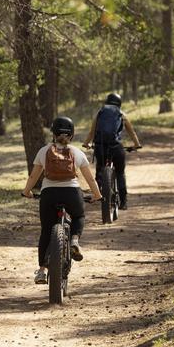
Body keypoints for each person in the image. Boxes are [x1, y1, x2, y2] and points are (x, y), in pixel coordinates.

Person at [22, 116, 102, 285]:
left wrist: (27, 191)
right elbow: (90, 180)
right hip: (72, 193)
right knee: (79, 216)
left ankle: (42, 271)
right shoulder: (77, 153)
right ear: (71, 135)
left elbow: (33, 176)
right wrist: (97, 195)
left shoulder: (44, 151)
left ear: (53, 133)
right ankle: (74, 239)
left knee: (46, 231)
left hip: (49, 195)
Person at [83, 92, 141, 209]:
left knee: (100, 169)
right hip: (116, 147)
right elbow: (132, 132)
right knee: (120, 173)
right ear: (119, 103)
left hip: (101, 146)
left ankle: (98, 193)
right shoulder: (121, 114)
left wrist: (86, 143)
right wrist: (136, 144)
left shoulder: (100, 113)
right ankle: (123, 202)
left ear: (107, 102)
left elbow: (92, 132)